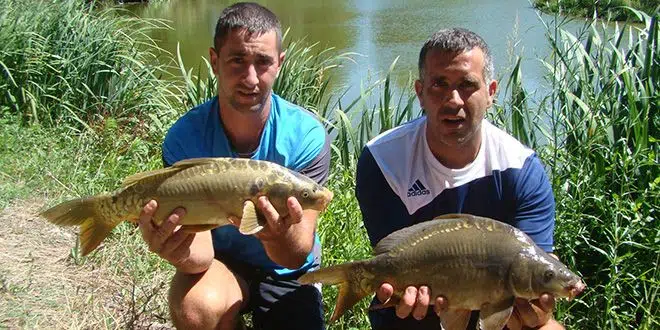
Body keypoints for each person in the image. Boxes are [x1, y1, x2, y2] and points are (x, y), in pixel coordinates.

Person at [136, 3, 330, 330]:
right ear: (214, 61)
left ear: (280, 64)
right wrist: (173, 249)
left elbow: (295, 254)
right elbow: (199, 256)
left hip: (288, 272)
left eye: (263, 62)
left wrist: (273, 235)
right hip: (220, 263)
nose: (250, 78)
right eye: (237, 60)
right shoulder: (185, 136)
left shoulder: (305, 136)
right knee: (196, 309)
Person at [355, 28, 565, 330]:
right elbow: (393, 258)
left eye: (467, 85)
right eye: (439, 84)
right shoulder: (383, 160)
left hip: (498, 308)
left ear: (491, 92)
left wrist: (536, 311)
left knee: (542, 325)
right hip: (415, 310)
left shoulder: (522, 168)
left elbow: (536, 260)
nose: (453, 100)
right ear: (420, 92)